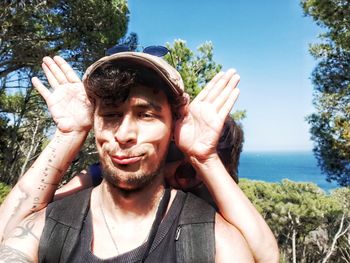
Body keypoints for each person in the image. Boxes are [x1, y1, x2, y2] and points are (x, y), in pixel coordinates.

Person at [0, 52, 278, 262]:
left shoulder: (207, 234)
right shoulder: (59, 223)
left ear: (174, 127)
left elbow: (264, 256)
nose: (124, 134)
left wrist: (205, 158)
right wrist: (69, 134)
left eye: (146, 114)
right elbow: (8, 234)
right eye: (110, 114)